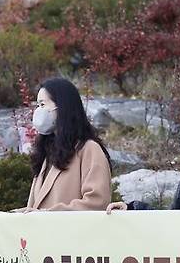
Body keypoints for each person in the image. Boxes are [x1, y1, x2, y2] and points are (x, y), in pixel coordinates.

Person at [11, 77, 111, 212]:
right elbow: (35, 207)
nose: (38, 111)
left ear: (62, 107)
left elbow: (97, 202)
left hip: (72, 232)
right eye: (37, 105)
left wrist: (47, 215)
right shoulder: (47, 150)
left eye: (42, 104)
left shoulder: (89, 149)